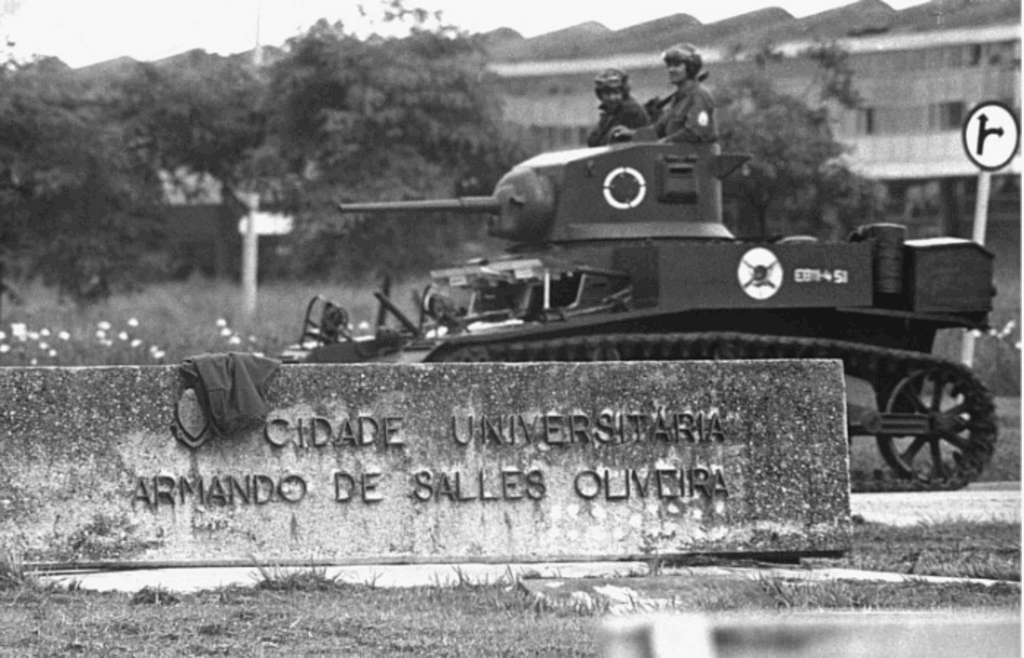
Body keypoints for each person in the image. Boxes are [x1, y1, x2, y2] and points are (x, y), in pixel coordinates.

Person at [610, 44, 716, 145]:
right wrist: (631, 133)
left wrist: (661, 143)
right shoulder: (678, 99)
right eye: (669, 65)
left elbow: (694, 133)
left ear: (690, 67)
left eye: (676, 65)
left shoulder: (699, 95)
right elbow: (657, 130)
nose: (671, 70)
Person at [586, 68, 650, 147]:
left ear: (623, 93)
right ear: (600, 95)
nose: (612, 98)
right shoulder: (610, 112)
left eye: (616, 92)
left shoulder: (631, 110)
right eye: (607, 93)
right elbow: (593, 141)